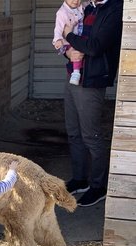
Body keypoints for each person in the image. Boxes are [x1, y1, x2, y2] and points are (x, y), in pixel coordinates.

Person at [62, 0, 123, 207]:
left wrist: (69, 35)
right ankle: (80, 179)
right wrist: (67, 51)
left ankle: (98, 186)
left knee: (91, 135)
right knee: (73, 132)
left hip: (92, 81)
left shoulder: (114, 9)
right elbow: (69, 44)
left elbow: (95, 48)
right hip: (73, 76)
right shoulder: (89, 8)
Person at [53, 0, 88, 85]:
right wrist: (57, 39)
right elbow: (58, 28)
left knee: (80, 49)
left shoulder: (81, 6)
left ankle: (79, 69)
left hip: (80, 36)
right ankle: (76, 72)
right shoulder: (62, 12)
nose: (76, 1)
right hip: (70, 39)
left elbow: (89, 3)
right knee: (75, 51)